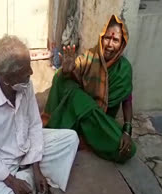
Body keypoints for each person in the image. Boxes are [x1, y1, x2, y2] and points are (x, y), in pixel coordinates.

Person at [0, 35, 79, 194]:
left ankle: (32, 177)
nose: (31, 71)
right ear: (7, 77)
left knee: (70, 139)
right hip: (6, 163)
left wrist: (36, 167)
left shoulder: (25, 85)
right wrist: (11, 182)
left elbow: (35, 125)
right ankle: (27, 181)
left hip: (30, 149)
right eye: (24, 69)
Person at [42, 15, 136, 163]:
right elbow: (75, 71)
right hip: (81, 109)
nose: (110, 44)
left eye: (115, 40)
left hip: (99, 120)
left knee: (127, 150)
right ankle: (64, 129)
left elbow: (127, 100)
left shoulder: (124, 69)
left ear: (122, 44)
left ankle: (79, 133)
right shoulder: (91, 56)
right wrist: (67, 71)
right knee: (61, 78)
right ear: (101, 38)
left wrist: (127, 131)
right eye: (107, 38)